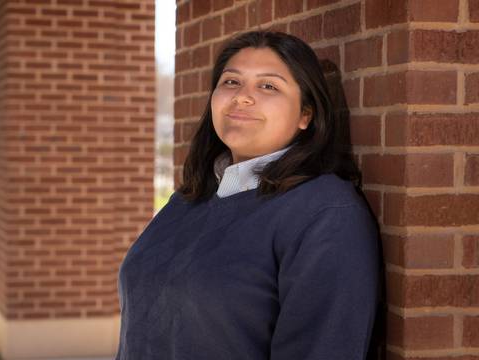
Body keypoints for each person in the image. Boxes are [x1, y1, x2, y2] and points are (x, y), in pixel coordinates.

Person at [115, 30, 384, 360]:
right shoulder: (191, 198)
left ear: (306, 115)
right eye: (231, 82)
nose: (241, 97)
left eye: (268, 86)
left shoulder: (324, 213)